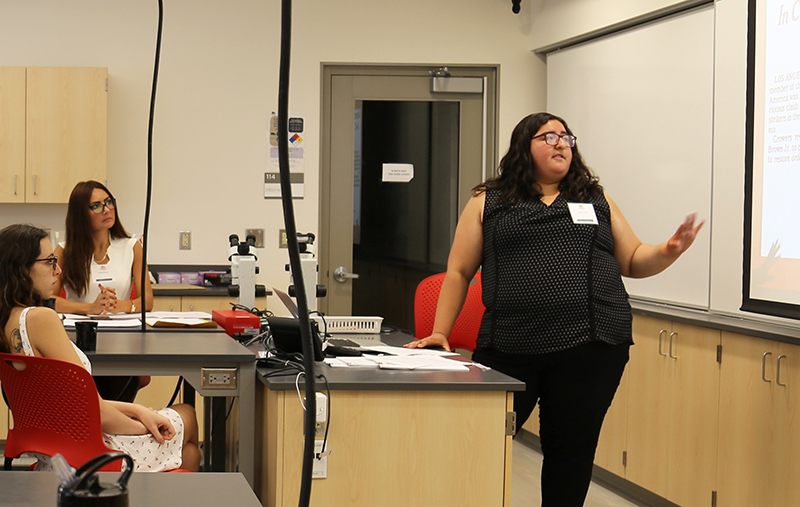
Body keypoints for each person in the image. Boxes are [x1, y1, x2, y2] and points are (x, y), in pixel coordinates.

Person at [405, 112, 704, 506]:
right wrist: (441, 330)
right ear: (523, 147)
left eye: (566, 137)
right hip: (509, 345)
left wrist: (668, 251)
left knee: (569, 452)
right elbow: (459, 271)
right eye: (549, 137)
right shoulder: (489, 200)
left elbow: (632, 260)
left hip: (591, 345)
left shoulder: (595, 198)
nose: (561, 143)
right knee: (477, 441)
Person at [0, 223, 200, 472]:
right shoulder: (41, 319)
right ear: (21, 269)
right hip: (92, 456)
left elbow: (78, 402)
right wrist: (144, 427)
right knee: (187, 414)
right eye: (50, 261)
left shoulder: (7, 319)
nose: (58, 268)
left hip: (55, 454)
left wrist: (138, 410)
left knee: (185, 450)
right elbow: (95, 413)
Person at [53, 180, 154, 402]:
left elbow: (147, 299)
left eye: (109, 202)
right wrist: (89, 308)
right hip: (78, 340)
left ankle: (112, 431)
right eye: (96, 206)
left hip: (122, 340)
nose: (107, 209)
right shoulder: (64, 250)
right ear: (81, 214)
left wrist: (123, 305)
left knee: (119, 380)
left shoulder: (132, 246)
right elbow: (47, 300)